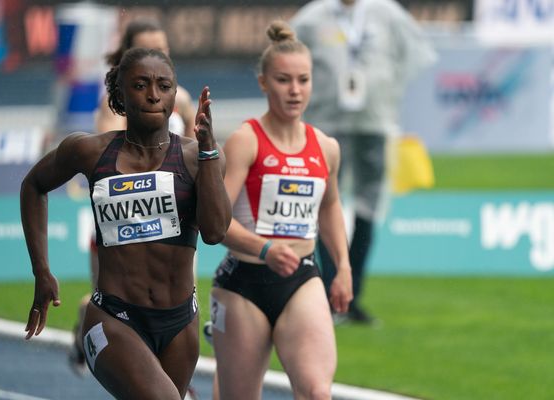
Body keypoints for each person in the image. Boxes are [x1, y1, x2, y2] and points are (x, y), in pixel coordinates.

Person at [21, 47, 231, 399]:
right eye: (140, 85)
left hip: (180, 325)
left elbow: (214, 232)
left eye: (164, 86)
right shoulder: (88, 151)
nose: (153, 95)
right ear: (119, 95)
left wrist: (209, 149)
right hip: (112, 319)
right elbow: (34, 185)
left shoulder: (199, 157)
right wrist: (41, 271)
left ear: (175, 94)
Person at [209, 20, 353, 399]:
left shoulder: (326, 147)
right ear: (263, 83)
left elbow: (331, 206)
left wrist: (343, 267)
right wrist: (265, 249)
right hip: (244, 283)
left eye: (303, 80)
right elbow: (215, 222)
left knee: (317, 393)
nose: (295, 91)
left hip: (301, 280)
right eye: (283, 80)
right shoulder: (245, 141)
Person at [291, 0, 436, 323]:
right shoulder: (314, 17)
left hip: (375, 121)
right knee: (325, 204)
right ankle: (329, 291)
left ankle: (352, 294)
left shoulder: (387, 13)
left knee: (370, 203)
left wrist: (388, 88)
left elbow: (417, 53)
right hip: (326, 122)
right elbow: (283, 56)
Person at [68, 17, 198, 376]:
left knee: (176, 288)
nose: (155, 55)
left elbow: (191, 146)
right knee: (119, 300)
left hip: (171, 219)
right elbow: (108, 154)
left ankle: (167, 374)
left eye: (162, 50)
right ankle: (92, 324)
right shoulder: (114, 105)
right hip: (123, 219)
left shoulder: (181, 99)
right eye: (146, 48)